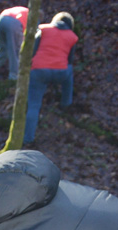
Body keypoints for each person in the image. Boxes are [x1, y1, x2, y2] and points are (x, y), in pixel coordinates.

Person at [23, 11, 78, 147]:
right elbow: (70, 60)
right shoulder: (72, 37)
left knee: (34, 105)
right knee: (69, 70)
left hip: (39, 71)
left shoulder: (43, 29)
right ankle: (66, 103)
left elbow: (33, 51)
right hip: (60, 72)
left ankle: (28, 138)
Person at [0, 6, 30, 81]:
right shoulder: (33, 17)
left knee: (3, 48)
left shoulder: (24, 10)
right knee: (15, 51)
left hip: (1, 19)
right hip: (14, 23)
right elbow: (29, 36)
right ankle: (14, 77)